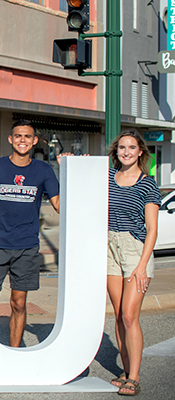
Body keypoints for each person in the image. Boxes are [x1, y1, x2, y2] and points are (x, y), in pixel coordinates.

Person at [0, 120, 60, 348]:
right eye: (18, 136)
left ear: (35, 141)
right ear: (10, 139)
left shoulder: (43, 170)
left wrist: (75, 171)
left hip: (26, 246)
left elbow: (59, 205)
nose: (22, 140)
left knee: (18, 303)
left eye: (27, 137)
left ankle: (14, 353)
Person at [106, 129, 159, 396]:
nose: (126, 152)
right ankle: (125, 371)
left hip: (134, 250)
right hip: (109, 248)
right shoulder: (107, 178)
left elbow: (152, 229)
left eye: (131, 147)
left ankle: (134, 377)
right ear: (116, 152)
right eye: (121, 148)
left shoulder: (147, 183)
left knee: (129, 315)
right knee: (117, 315)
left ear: (140, 152)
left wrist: (142, 264)